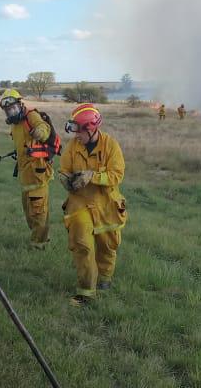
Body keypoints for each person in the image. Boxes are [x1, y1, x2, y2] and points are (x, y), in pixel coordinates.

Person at [58, 103, 128, 306]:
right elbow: (64, 169)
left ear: (91, 128)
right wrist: (65, 179)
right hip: (79, 203)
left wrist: (93, 176)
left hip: (106, 206)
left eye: (79, 131)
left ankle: (105, 280)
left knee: (107, 246)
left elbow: (117, 175)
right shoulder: (73, 147)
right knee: (82, 246)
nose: (76, 136)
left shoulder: (110, 145)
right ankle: (86, 291)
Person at [0, 88, 59, 249]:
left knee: (38, 212)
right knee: (29, 213)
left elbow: (43, 127)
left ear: (20, 104)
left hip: (38, 173)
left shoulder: (31, 116)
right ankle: (38, 237)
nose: (11, 112)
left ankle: (39, 245)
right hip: (25, 175)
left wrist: (40, 132)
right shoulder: (15, 124)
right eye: (8, 110)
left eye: (13, 108)